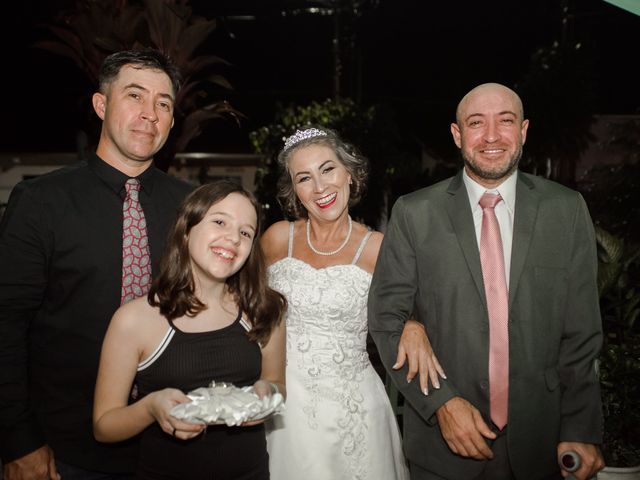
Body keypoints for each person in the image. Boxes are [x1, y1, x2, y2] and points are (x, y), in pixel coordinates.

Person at [368, 82, 605, 480]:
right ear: (458, 135)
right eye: (476, 123)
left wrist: (581, 426)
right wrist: (442, 403)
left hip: (541, 445)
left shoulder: (566, 210)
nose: (492, 136)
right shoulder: (414, 212)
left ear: (524, 130)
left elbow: (582, 333)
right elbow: (386, 317)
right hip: (444, 449)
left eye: (505, 121)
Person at [0, 49, 194, 479]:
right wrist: (19, 439)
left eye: (163, 103)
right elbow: (6, 325)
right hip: (66, 451)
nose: (150, 114)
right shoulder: (41, 203)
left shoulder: (190, 207)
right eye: (135, 96)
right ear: (101, 105)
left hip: (174, 446)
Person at [262, 126, 442, 479]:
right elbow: (242, 304)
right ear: (294, 191)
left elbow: (416, 305)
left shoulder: (379, 248)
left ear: (350, 173)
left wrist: (413, 323)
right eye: (304, 178)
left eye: (328, 169)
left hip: (353, 409)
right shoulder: (276, 239)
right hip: (280, 405)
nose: (320, 187)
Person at [93, 180, 287, 479]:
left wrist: (268, 393)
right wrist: (150, 408)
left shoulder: (264, 309)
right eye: (220, 221)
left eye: (245, 232)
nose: (233, 238)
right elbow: (104, 426)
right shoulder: (134, 320)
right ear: (186, 230)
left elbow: (276, 382)